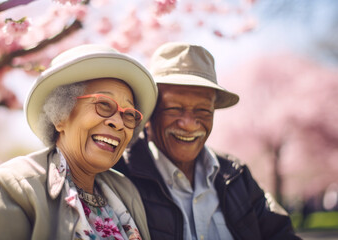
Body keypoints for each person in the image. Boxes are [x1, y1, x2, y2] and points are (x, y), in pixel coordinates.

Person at [0, 44, 157, 239]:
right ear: (60, 115)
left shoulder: (126, 192)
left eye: (129, 114)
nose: (117, 122)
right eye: (103, 104)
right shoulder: (15, 186)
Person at [113, 42, 301, 240]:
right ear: (149, 114)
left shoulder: (236, 175)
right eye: (174, 108)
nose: (189, 124)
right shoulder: (120, 174)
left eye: (202, 110)